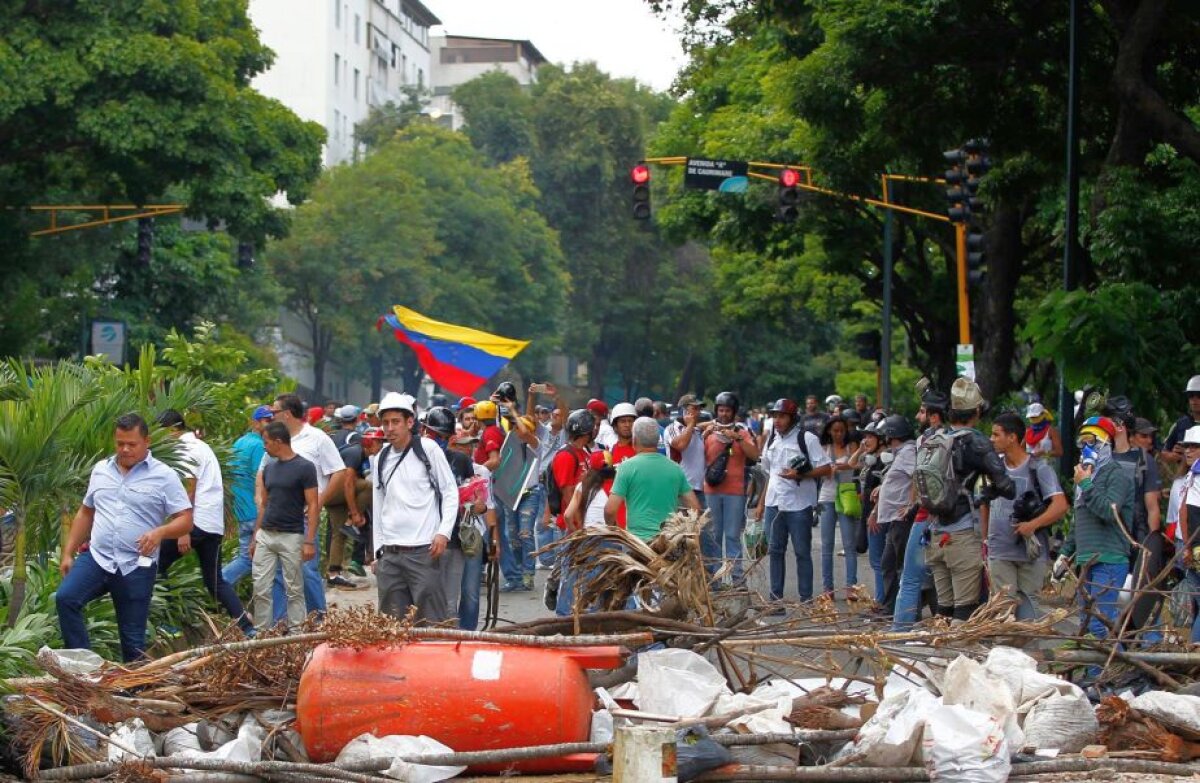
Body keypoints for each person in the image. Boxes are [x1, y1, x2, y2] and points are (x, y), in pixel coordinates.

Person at [57, 413, 193, 662]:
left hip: (136, 566)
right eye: (120, 443)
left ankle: (135, 694)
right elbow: (86, 511)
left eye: (132, 444)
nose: (125, 449)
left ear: (147, 441)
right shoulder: (101, 470)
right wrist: (68, 552)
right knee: (66, 598)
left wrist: (160, 532)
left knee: (132, 641)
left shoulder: (164, 476)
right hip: (98, 558)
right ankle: (84, 669)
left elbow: (185, 519)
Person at [921, 378, 1014, 622]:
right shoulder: (977, 442)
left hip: (935, 534)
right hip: (962, 535)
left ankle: (937, 658)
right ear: (977, 411)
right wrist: (989, 493)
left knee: (943, 610)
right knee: (965, 610)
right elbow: (1006, 486)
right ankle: (956, 656)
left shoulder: (935, 438)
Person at [155, 410, 250, 632]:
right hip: (211, 523)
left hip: (195, 522)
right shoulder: (200, 446)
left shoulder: (186, 449)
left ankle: (166, 623)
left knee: (155, 564)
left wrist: (182, 529)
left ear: (171, 430)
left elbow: (189, 491)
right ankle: (246, 626)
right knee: (214, 580)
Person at [371, 392, 458, 622]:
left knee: (431, 621)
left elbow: (450, 491)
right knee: (392, 625)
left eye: (396, 422)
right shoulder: (380, 457)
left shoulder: (428, 450)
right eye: (386, 423)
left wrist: (443, 532)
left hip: (423, 550)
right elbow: (378, 504)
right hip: (390, 553)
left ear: (410, 422)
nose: (390, 428)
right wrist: (378, 549)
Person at [266, 394, 347, 623]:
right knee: (280, 571)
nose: (271, 416)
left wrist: (319, 501)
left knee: (306, 568)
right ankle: (279, 623)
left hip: (302, 517)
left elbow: (338, 472)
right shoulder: (275, 440)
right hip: (278, 515)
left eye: (274, 412)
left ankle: (318, 619)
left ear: (287, 414)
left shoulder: (316, 438)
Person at [1057, 416, 1137, 640]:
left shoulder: (1116, 475)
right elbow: (1078, 519)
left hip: (1109, 559)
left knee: (1100, 624)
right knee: (1086, 623)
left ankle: (1118, 673)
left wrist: (1085, 484)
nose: (1085, 448)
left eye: (1091, 442)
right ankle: (1094, 675)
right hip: (1086, 560)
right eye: (1082, 443)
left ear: (1105, 444)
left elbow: (1108, 511)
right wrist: (1065, 553)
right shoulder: (1086, 478)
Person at [983, 412, 1068, 620]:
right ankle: (1005, 652)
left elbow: (1060, 505)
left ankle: (1028, 653)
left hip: (1031, 555)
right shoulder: (993, 468)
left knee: (1028, 617)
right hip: (1000, 552)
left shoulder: (1039, 468)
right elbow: (984, 503)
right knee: (1003, 615)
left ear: (1012, 437)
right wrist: (985, 539)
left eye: (996, 434)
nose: (991, 439)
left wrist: (1032, 525)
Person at [756, 398, 831, 607]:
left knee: (802, 552)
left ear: (792, 417)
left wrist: (800, 474)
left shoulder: (806, 439)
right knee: (775, 551)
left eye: (782, 416)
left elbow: (827, 468)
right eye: (775, 416)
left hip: (799, 505)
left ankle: (806, 600)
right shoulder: (771, 439)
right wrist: (761, 504)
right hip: (774, 503)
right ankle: (775, 601)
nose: (777, 420)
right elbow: (768, 474)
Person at [250, 422, 318, 632]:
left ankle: (297, 633)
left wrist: (309, 540)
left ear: (278, 442)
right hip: (266, 534)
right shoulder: (269, 468)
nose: (264, 446)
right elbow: (265, 504)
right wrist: (255, 536)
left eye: (266, 442)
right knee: (260, 587)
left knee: (294, 589)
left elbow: (313, 504)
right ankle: (262, 633)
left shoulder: (305, 467)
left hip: (292, 536)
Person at [605, 417, 701, 540]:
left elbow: (610, 510)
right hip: (667, 543)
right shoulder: (675, 468)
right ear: (657, 441)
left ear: (634, 440)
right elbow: (695, 507)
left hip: (637, 544)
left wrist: (614, 530)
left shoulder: (626, 467)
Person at [701, 391, 759, 585]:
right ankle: (714, 579)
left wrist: (738, 439)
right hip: (711, 490)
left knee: (733, 535)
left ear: (734, 412)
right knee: (714, 536)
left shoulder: (742, 432)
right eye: (721, 410)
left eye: (728, 410)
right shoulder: (709, 432)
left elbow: (755, 455)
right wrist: (704, 435)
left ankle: (737, 578)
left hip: (735, 491)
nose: (724, 414)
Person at [222, 405, 273, 591]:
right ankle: (218, 584)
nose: (270, 424)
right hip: (255, 510)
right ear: (255, 422)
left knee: (249, 558)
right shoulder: (260, 445)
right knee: (251, 560)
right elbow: (261, 479)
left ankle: (219, 586)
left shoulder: (240, 442)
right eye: (267, 420)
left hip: (241, 508)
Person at [817, 415, 858, 596]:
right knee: (827, 545)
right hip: (827, 497)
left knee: (849, 544)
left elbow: (857, 465)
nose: (839, 434)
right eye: (835, 431)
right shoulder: (823, 448)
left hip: (846, 497)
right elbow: (817, 471)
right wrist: (827, 470)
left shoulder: (852, 447)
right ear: (829, 431)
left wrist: (840, 467)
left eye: (842, 430)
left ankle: (851, 586)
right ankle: (828, 588)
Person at [852, 422, 887, 606]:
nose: (866, 440)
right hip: (868, 511)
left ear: (881, 439)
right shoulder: (870, 458)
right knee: (875, 559)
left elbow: (887, 489)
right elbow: (851, 464)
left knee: (877, 560)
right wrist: (860, 450)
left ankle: (881, 602)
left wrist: (874, 513)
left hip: (877, 514)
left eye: (870, 436)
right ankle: (881, 600)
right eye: (865, 436)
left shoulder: (885, 460)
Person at [1170, 427, 1200, 642]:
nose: (1188, 451)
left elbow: (1191, 513)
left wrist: (1189, 547)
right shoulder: (1194, 473)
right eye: (1187, 446)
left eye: (1195, 447)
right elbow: (1186, 512)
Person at [666, 394, 708, 505]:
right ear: (683, 411)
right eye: (694, 408)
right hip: (681, 489)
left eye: (699, 409)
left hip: (700, 488)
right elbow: (680, 445)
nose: (698, 412)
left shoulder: (696, 431)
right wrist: (690, 425)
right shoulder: (672, 428)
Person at [1163, 375, 1200, 466]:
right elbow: (1164, 452)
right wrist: (1174, 456)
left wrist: (1188, 452)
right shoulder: (1180, 424)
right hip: (1185, 477)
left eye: (1199, 396)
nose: (1194, 400)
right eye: (1191, 396)